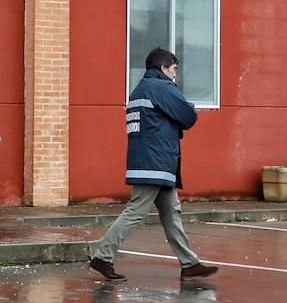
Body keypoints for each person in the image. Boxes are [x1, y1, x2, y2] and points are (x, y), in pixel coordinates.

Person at [89, 48, 218, 282]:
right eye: (174, 69)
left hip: (150, 160)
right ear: (163, 68)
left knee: (171, 213)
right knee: (135, 211)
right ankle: (102, 256)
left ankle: (189, 263)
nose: (175, 75)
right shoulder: (161, 87)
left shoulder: (140, 88)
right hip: (156, 162)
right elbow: (189, 116)